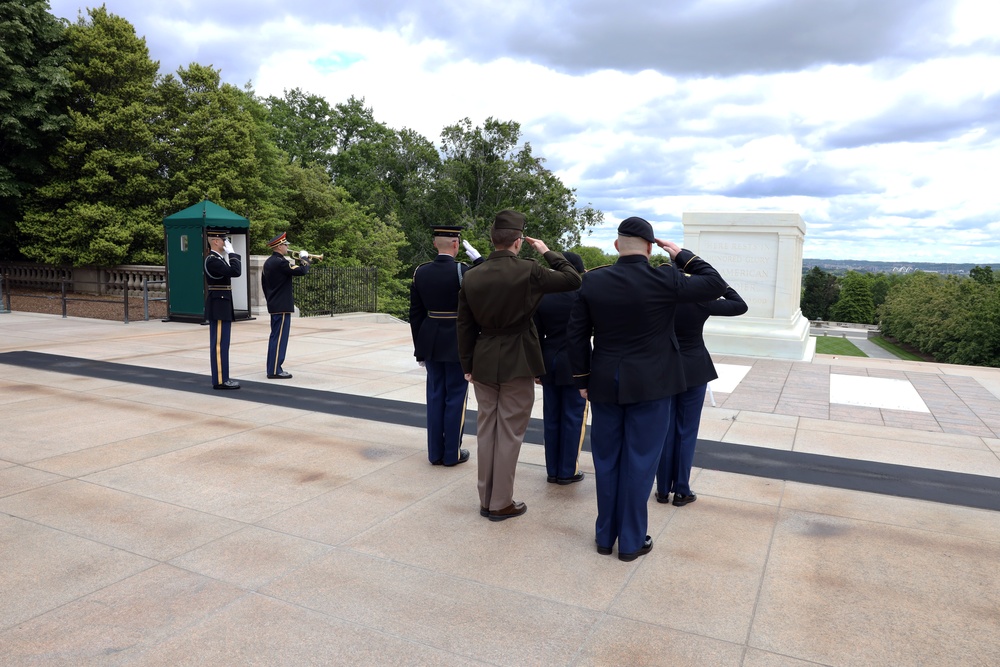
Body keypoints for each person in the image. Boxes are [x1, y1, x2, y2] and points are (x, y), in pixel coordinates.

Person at [566, 216, 726, 561]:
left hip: (605, 382)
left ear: (616, 245)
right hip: (654, 385)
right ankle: (632, 540)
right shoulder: (665, 277)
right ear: (651, 247)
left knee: (607, 461)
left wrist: (581, 380)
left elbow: (576, 336)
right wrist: (683, 255)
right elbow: (715, 284)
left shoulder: (592, 281)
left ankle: (605, 536)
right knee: (640, 461)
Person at [457, 210, 581, 521]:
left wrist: (467, 364)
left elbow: (464, 326)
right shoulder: (529, 270)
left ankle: (486, 498)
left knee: (487, 432)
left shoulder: (472, 275)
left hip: (483, 359)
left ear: (491, 240)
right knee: (509, 433)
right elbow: (572, 278)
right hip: (518, 361)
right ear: (518, 241)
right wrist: (546, 251)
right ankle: (500, 503)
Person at [656, 284, 747, 506]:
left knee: (664, 430)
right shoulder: (699, 300)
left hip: (665, 368)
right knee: (685, 431)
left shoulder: (656, 298)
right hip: (694, 369)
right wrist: (720, 284)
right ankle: (681, 491)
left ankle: (661, 490)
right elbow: (739, 305)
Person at [408, 225, 482, 466]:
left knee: (435, 396)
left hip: (430, 339)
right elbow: (490, 282)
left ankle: (434, 453)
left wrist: (419, 348)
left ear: (434, 245)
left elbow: (416, 314)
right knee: (456, 398)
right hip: (457, 341)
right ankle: (452, 453)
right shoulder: (464, 270)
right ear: (456, 245)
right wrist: (479, 259)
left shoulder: (421, 272)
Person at [533, 251, 589, 485]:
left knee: (552, 417)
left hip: (548, 360)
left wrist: (537, 367)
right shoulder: (583, 295)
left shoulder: (543, 295)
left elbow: (535, 333)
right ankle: (568, 471)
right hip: (576, 363)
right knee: (574, 417)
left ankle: (552, 470)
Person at [261, 232, 309, 380]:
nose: (287, 247)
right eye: (285, 244)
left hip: (275, 304)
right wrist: (304, 259)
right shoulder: (280, 262)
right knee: (279, 338)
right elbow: (302, 271)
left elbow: (264, 284)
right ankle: (275, 370)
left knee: (276, 337)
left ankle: (273, 367)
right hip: (281, 306)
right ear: (279, 246)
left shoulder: (269, 262)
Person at [204, 229, 242, 390]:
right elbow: (236, 272)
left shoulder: (219, 258)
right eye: (224, 240)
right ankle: (220, 380)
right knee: (219, 344)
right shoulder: (212, 260)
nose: (226, 243)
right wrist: (233, 254)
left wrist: (229, 255)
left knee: (223, 343)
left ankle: (223, 377)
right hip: (219, 305)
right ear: (215, 242)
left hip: (222, 303)